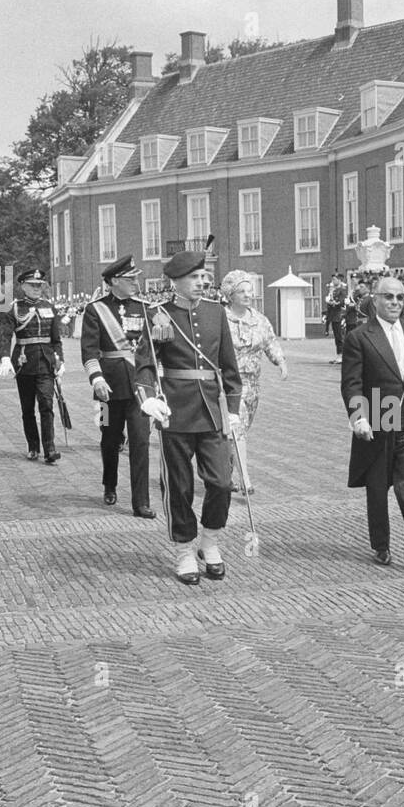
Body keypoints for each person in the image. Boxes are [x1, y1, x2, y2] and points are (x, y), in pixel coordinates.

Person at [135, 249, 243, 585]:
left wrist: (235, 411)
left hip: (211, 411)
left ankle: (209, 542)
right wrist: (149, 398)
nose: (202, 282)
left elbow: (229, 366)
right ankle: (183, 549)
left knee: (221, 482)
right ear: (176, 281)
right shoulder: (159, 316)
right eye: (194, 277)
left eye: (204, 276)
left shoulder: (215, 313)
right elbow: (146, 363)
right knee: (179, 486)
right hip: (175, 412)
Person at [341, 275, 404, 571]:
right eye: (388, 297)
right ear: (374, 299)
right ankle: (380, 545)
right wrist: (359, 417)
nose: (395, 302)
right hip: (377, 425)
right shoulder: (359, 336)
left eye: (399, 297)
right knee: (377, 488)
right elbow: (352, 384)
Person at [82, 255, 154, 517]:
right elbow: (89, 350)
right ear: (114, 281)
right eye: (130, 279)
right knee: (109, 439)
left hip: (140, 388)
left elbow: (156, 349)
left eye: (136, 277)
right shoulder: (95, 309)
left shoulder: (146, 308)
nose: (136, 282)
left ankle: (141, 501)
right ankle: (109, 484)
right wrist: (96, 378)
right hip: (106, 389)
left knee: (141, 441)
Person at [220, 268, 288, 494]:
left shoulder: (259, 319)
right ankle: (245, 479)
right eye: (242, 291)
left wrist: (280, 361)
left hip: (253, 386)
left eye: (250, 291)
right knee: (236, 428)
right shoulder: (221, 319)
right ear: (231, 295)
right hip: (229, 385)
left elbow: (270, 342)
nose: (248, 295)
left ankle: (225, 474)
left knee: (239, 431)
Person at [0, 268, 64, 463]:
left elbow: (56, 339)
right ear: (23, 286)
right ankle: (33, 446)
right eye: (33, 285)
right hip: (24, 363)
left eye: (39, 285)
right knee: (28, 408)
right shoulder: (15, 310)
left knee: (46, 404)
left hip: (46, 363)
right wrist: (5, 358)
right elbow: (5, 337)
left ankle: (50, 448)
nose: (37, 289)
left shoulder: (49, 307)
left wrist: (61, 360)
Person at [325, 274, 348, 365]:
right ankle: (338, 355)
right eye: (332, 279)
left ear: (339, 280)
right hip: (333, 315)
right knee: (336, 337)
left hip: (339, 315)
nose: (333, 281)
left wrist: (334, 303)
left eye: (334, 279)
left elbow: (342, 302)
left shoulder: (342, 290)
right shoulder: (333, 291)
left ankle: (342, 356)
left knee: (340, 337)